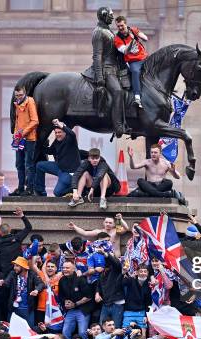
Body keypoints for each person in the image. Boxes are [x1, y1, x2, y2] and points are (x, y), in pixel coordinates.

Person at [86, 6, 128, 138]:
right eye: (110, 14)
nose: (112, 16)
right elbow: (97, 56)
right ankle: (118, 125)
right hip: (106, 70)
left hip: (114, 68)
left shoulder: (108, 30)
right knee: (117, 91)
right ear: (104, 16)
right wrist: (99, 77)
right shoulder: (99, 32)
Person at [34, 119, 81, 197]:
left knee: (57, 193)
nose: (57, 134)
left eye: (59, 132)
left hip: (68, 173)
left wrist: (60, 124)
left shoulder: (70, 139)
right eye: (56, 133)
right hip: (59, 167)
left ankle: (78, 188)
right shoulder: (57, 141)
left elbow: (72, 134)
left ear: (65, 133)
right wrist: (38, 143)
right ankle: (41, 191)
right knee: (39, 165)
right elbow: (49, 151)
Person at [10, 85, 39, 196]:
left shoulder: (30, 102)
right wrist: (16, 134)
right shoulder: (17, 103)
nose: (19, 97)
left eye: (21, 95)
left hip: (29, 139)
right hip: (20, 138)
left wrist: (22, 133)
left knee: (28, 164)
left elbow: (35, 121)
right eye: (17, 95)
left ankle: (30, 189)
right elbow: (17, 122)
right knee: (19, 164)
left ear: (25, 93)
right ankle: (20, 188)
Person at [114, 15, 148, 109]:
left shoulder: (133, 30)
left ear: (126, 24)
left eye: (122, 25)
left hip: (144, 57)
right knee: (135, 72)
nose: (120, 28)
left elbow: (146, 38)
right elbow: (125, 51)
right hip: (133, 61)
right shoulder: (117, 39)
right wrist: (132, 41)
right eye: (118, 26)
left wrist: (139, 35)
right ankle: (137, 97)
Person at [0, 256, 44, 326]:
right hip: (14, 309)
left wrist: (36, 290)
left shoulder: (31, 274)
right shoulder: (13, 274)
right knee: (12, 330)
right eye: (14, 265)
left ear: (23, 267)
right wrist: (2, 282)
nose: (14, 268)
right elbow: (6, 283)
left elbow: (41, 284)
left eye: (17, 266)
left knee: (29, 330)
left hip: (28, 309)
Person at [58, 259, 93, 339]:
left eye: (67, 268)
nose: (65, 269)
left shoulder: (80, 279)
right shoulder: (62, 280)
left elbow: (89, 296)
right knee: (65, 332)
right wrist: (65, 301)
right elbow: (61, 296)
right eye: (63, 268)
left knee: (82, 333)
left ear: (73, 269)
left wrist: (75, 304)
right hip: (71, 310)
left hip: (83, 309)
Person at [95, 250, 125, 328]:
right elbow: (99, 284)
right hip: (105, 303)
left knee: (116, 328)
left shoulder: (116, 269)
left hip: (116, 304)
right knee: (102, 327)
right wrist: (97, 293)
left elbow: (116, 263)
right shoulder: (102, 272)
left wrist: (106, 254)